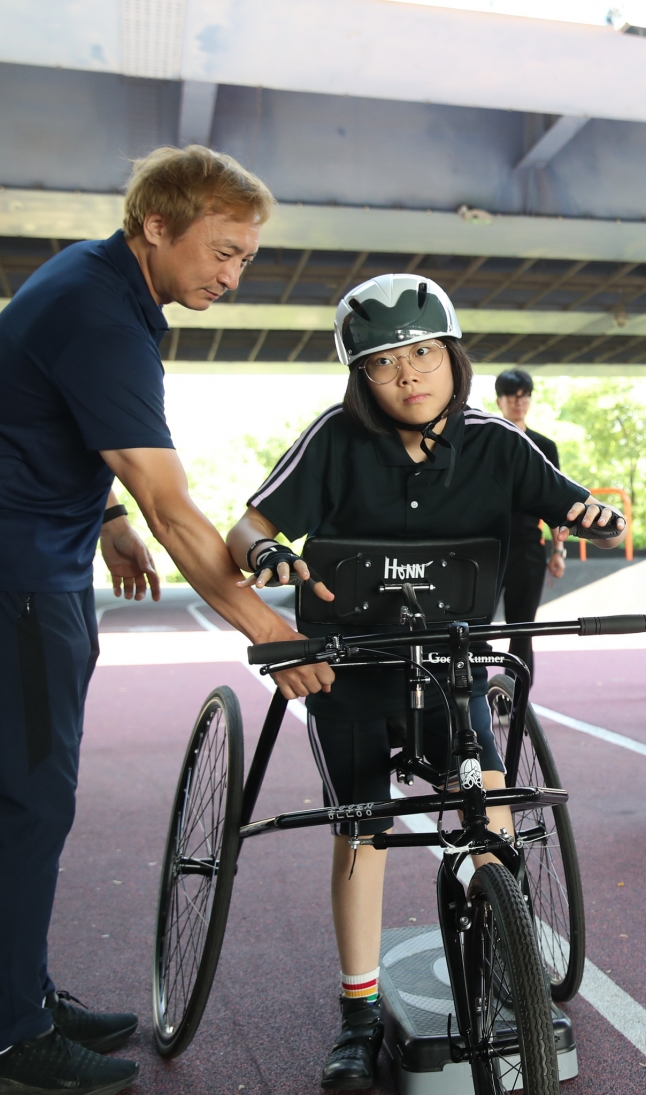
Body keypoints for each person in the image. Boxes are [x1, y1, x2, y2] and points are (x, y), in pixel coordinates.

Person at [0, 145, 333, 1095]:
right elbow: (177, 506)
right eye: (224, 250)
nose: (235, 273)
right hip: (8, 573)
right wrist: (266, 630)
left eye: (246, 256)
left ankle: (17, 993)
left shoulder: (100, 283)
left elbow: (53, 419)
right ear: (158, 225)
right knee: (30, 801)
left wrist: (103, 519)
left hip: (37, 558)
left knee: (40, 794)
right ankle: (2, 1046)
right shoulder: (102, 313)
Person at [226, 273, 626, 1092]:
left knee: (492, 797)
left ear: (453, 356)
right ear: (360, 378)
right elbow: (249, 524)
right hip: (350, 673)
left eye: (422, 352)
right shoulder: (333, 440)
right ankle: (358, 1010)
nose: (408, 373)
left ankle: (506, 947)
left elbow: (579, 505)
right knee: (363, 824)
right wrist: (263, 551)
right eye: (383, 362)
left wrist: (597, 516)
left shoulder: (501, 445)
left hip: (452, 669)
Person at [495, 367, 566, 681]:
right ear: (499, 400)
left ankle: (516, 698)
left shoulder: (544, 446)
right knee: (468, 627)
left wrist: (558, 551)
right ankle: (472, 693)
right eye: (512, 395)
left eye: (524, 396)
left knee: (522, 628)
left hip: (527, 548)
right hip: (488, 548)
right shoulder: (486, 442)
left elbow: (557, 502)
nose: (518, 402)